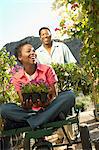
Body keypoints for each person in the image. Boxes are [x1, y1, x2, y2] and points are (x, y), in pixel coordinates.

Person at [0, 42, 75, 149]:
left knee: (69, 95)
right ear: (20, 57)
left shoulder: (47, 69)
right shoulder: (17, 77)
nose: (33, 53)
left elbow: (54, 94)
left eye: (33, 50)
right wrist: (27, 105)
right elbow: (23, 102)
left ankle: (36, 121)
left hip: (48, 108)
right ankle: (40, 120)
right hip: (31, 112)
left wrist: (47, 103)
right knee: (3, 109)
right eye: (28, 51)